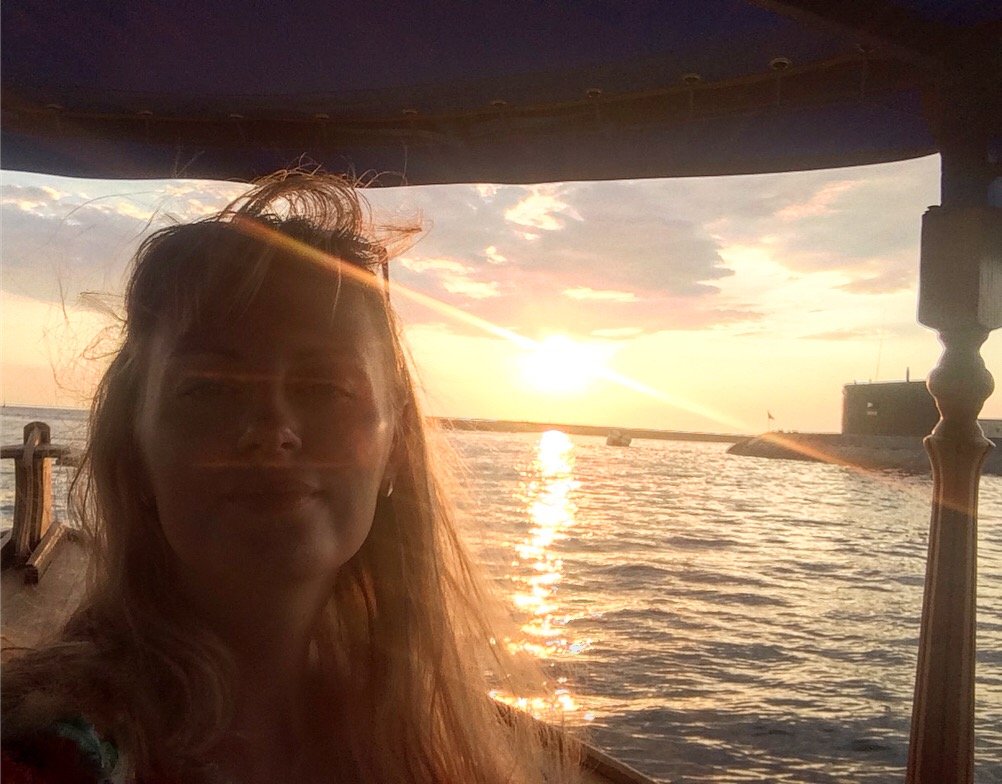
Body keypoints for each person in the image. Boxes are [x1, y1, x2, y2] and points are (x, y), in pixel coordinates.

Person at [1, 173, 580, 783]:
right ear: (135, 449)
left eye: (325, 387)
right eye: (209, 389)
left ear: (397, 448)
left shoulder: (406, 740)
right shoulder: (50, 758)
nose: (272, 428)